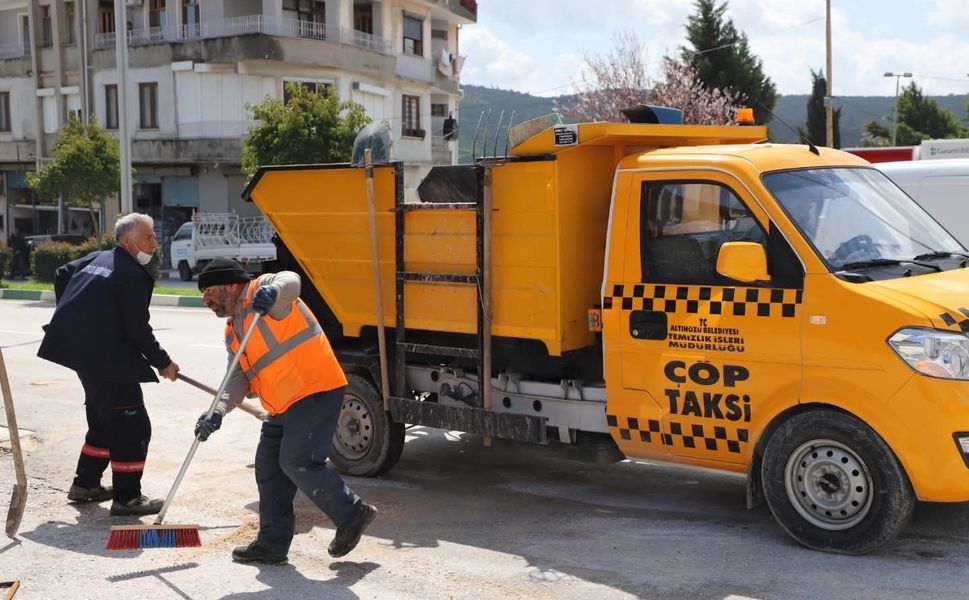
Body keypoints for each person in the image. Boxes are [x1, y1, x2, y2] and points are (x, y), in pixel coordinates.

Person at [195, 257, 376, 565]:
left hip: (315, 388)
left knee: (298, 462)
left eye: (209, 291)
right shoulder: (233, 331)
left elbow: (291, 280)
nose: (205, 299)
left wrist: (274, 292)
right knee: (269, 468)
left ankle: (353, 513)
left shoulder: (263, 293)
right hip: (282, 404)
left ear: (231, 284)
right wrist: (217, 412)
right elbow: (235, 379)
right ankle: (272, 545)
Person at [37, 213, 179, 516]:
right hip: (107, 360)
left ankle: (86, 484)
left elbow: (63, 273)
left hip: (82, 354)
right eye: (148, 237)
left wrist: (79, 316)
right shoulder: (132, 275)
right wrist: (163, 362)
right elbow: (138, 330)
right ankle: (128, 498)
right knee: (132, 426)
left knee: (104, 419)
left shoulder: (97, 259)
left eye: (154, 236)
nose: (154, 243)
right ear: (128, 241)